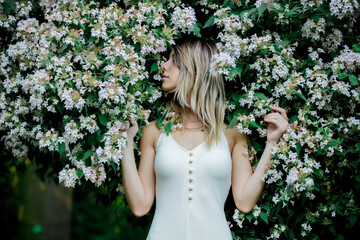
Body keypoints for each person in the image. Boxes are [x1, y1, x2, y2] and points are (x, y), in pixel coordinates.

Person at [121, 37, 289, 240]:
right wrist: (125, 142)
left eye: (174, 60)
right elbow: (140, 206)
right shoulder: (154, 131)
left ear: (195, 71)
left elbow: (244, 202)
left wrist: (272, 143)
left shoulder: (232, 134)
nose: (163, 65)